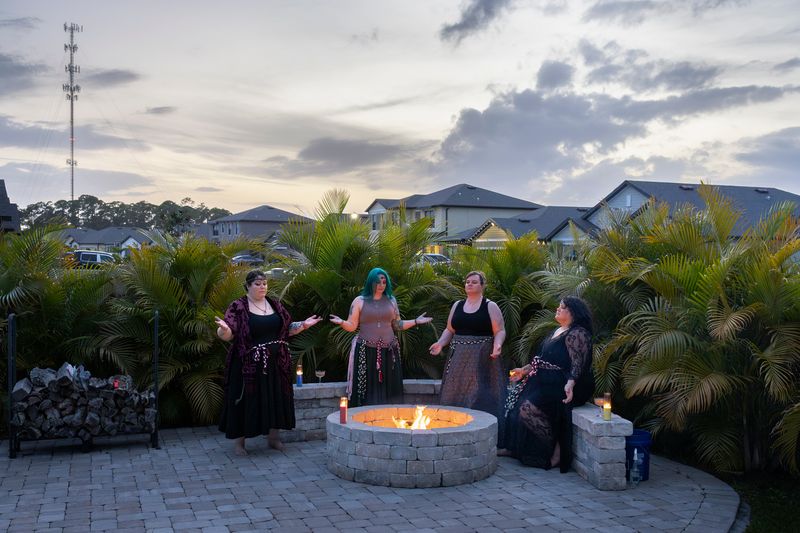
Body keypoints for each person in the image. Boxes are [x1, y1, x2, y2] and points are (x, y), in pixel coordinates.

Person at [215, 270, 322, 456]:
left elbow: (287, 330)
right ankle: (240, 443)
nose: (262, 286)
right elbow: (228, 333)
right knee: (245, 400)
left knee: (275, 397)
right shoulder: (238, 307)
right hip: (247, 365)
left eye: (264, 283)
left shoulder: (275, 305)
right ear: (248, 286)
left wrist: (303, 325)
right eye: (257, 284)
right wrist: (222, 330)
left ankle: (273, 438)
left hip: (275, 363)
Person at [498, 296, 594, 471]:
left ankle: (555, 448)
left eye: (562, 307)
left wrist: (571, 382)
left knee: (527, 409)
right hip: (543, 380)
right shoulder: (557, 331)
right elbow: (542, 360)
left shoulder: (578, 333)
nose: (557, 309)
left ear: (573, 312)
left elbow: (578, 363)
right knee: (515, 408)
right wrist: (524, 370)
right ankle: (515, 449)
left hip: (563, 383)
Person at [330, 267, 432, 407]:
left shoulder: (392, 300)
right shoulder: (359, 301)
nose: (381, 285)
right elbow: (352, 326)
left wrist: (415, 321)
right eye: (377, 281)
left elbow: (397, 324)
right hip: (366, 351)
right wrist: (342, 322)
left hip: (389, 351)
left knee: (390, 388)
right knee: (367, 389)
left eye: (384, 281)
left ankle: (390, 418)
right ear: (370, 282)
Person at [429, 271, 507, 428]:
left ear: (482, 286)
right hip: (458, 356)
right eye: (467, 281)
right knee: (453, 391)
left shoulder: (490, 306)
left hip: (482, 357)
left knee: (479, 394)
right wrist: (440, 343)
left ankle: (479, 429)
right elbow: (450, 330)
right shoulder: (457, 305)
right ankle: (451, 427)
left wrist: (497, 344)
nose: (469, 284)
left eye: (474, 282)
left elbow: (500, 330)